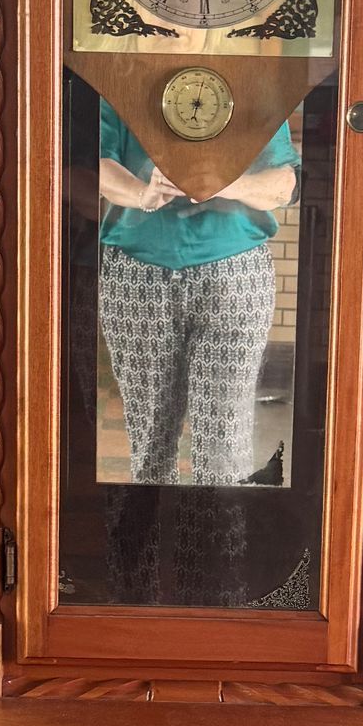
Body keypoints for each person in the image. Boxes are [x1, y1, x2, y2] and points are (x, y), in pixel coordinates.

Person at [95, 98, 296, 486]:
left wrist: (229, 183)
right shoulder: (120, 82)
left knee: (223, 443)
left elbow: (285, 184)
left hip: (234, 274)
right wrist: (143, 194)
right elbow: (98, 164)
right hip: (138, 275)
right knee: (150, 439)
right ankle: (150, 543)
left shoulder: (255, 87)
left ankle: (218, 542)